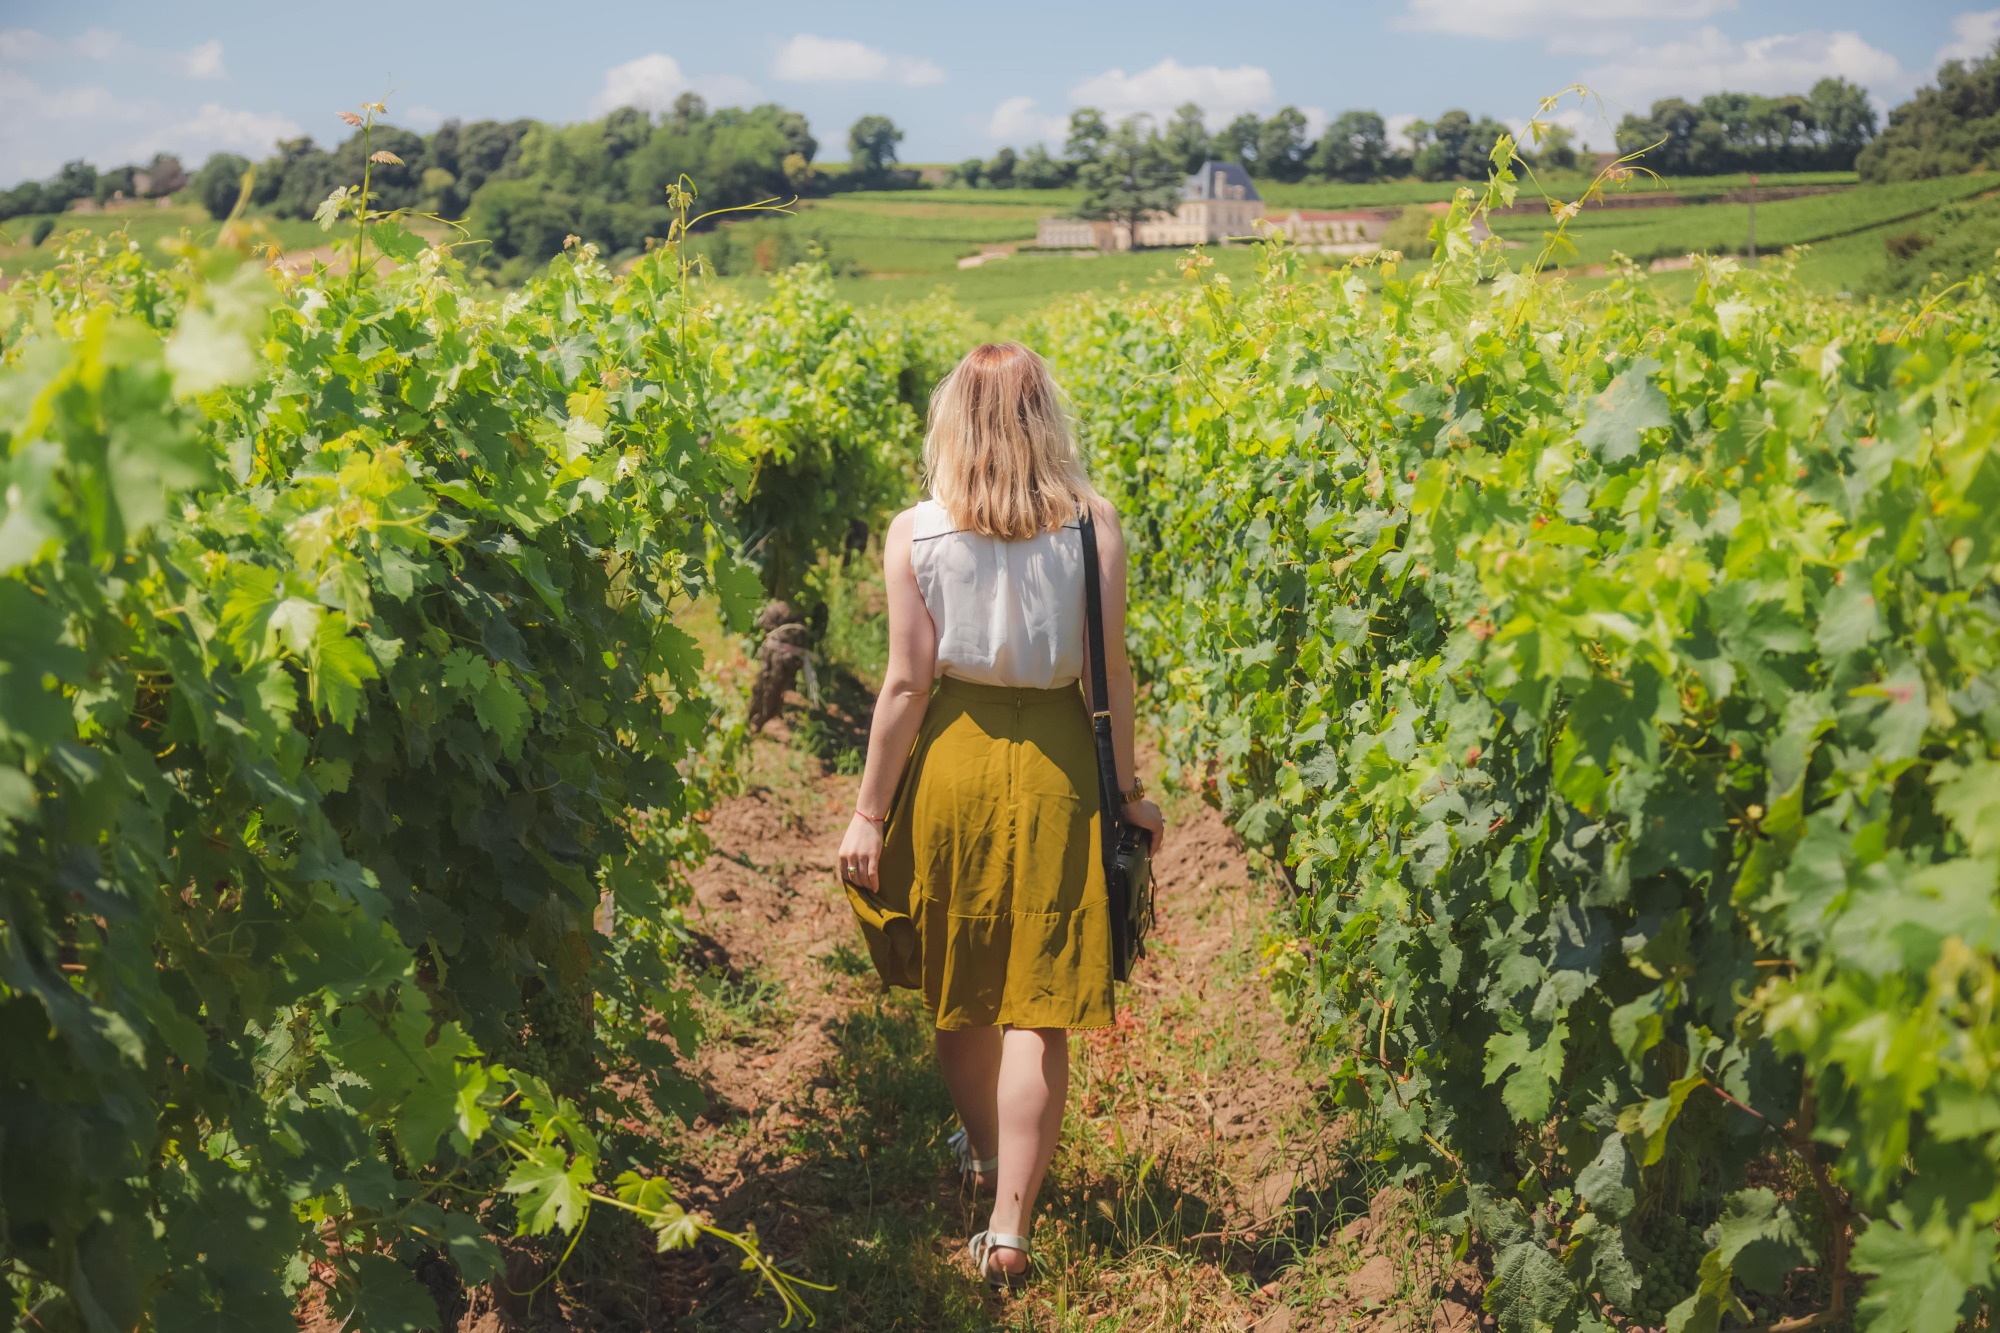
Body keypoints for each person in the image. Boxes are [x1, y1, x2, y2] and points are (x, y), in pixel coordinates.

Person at [835, 341, 1166, 1289]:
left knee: (964, 978)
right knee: (1041, 998)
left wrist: (868, 812)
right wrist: (1131, 791)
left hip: (956, 759)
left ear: (953, 424)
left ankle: (982, 1154)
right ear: (1043, 418)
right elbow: (1112, 675)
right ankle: (1010, 1226)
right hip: (1060, 757)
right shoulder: (1090, 524)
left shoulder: (917, 533)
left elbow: (904, 683)